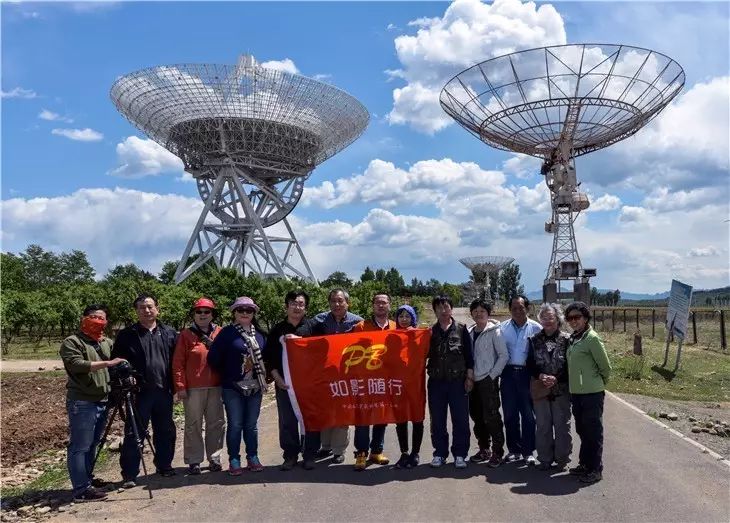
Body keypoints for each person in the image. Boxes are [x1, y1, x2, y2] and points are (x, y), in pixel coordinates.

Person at [60, 304, 127, 501]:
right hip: (82, 401)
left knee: (93, 443)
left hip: (102, 400)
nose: (98, 321)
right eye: (93, 317)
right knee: (80, 445)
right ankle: (81, 489)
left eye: (101, 318)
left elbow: (115, 363)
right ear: (84, 318)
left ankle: (87, 479)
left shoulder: (106, 342)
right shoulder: (72, 342)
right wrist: (107, 364)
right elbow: (76, 365)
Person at [113, 294, 178, 488]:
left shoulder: (170, 333)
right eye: (142, 307)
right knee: (134, 433)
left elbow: (178, 361)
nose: (146, 310)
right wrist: (126, 377)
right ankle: (130, 474)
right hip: (139, 392)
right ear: (136, 311)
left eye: (150, 307)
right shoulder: (127, 335)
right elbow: (117, 361)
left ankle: (164, 465)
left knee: (165, 430)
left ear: (157, 308)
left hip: (164, 391)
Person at [207, 296, 268, 475]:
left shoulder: (260, 335)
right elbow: (213, 358)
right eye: (240, 310)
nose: (244, 313)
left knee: (251, 424)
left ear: (254, 313)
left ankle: (253, 456)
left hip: (255, 387)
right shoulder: (227, 333)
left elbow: (266, 359)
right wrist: (229, 374)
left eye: (248, 310)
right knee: (235, 424)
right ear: (234, 312)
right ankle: (234, 458)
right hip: (232, 387)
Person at [264, 290, 320, 471]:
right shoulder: (277, 330)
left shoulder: (314, 328)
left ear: (306, 307)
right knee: (287, 421)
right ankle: (290, 455)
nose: (297, 307)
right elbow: (269, 357)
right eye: (293, 303)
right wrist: (277, 378)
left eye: (301, 304)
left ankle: (310, 454)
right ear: (287, 306)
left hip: (309, 386)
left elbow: (323, 354)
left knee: (310, 419)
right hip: (285, 384)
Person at [306, 288, 363, 464]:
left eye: (340, 301)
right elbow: (305, 338)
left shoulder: (357, 322)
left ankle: (339, 449)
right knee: (325, 411)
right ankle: (326, 446)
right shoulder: (319, 320)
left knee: (342, 411)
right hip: (324, 375)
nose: (337, 304)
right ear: (329, 303)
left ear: (347, 303)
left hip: (346, 374)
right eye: (333, 301)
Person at [172, 297, 224, 475]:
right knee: (193, 424)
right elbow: (178, 362)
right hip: (193, 387)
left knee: (216, 423)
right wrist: (180, 386)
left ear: (212, 314)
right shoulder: (186, 335)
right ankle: (194, 460)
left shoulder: (220, 333)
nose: (202, 315)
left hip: (216, 386)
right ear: (194, 314)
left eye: (206, 311)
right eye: (199, 312)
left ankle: (215, 458)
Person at [565, 301, 611, 484]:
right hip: (576, 392)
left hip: (592, 393)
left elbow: (605, 366)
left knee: (593, 432)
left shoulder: (592, 338)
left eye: (577, 317)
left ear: (585, 318)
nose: (574, 321)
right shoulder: (574, 338)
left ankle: (595, 469)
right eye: (570, 318)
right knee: (582, 430)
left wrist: (598, 384)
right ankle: (584, 464)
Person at [427, 295, 474, 469]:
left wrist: (470, 377)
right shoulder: (429, 332)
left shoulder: (462, 330)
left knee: (460, 419)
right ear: (435, 310)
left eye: (446, 306)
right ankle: (440, 453)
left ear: (451, 309)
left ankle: (460, 453)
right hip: (437, 382)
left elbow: (469, 356)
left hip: (458, 382)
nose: (443, 310)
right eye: (439, 307)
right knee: (437, 420)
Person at [350, 292, 394, 471]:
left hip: (385, 380)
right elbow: (351, 350)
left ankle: (377, 450)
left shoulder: (395, 326)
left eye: (384, 302)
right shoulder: (361, 327)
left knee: (381, 416)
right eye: (377, 302)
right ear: (372, 306)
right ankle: (361, 453)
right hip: (364, 379)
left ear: (389, 305)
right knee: (362, 416)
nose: (381, 305)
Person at [526, 303, 572, 471]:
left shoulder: (568, 339)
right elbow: (529, 364)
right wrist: (541, 375)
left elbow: (570, 365)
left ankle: (562, 460)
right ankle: (544, 459)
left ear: (558, 319)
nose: (547, 321)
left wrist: (556, 378)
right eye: (543, 318)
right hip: (541, 390)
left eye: (550, 317)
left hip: (561, 390)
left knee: (562, 426)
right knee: (543, 426)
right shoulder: (534, 340)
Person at [500, 295, 541, 465]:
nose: (518, 311)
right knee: (509, 414)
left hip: (527, 374)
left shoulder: (537, 328)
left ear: (528, 308)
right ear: (510, 310)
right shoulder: (502, 328)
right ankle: (514, 450)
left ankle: (528, 451)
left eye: (521, 307)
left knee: (528, 415)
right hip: (508, 374)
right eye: (514, 308)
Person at [467, 299, 508, 468]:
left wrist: (492, 376)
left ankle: (498, 451)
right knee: (477, 417)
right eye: (475, 311)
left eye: (482, 311)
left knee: (491, 417)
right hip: (472, 381)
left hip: (487, 380)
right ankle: (484, 448)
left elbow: (503, 356)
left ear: (488, 313)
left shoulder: (494, 331)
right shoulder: (469, 332)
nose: (478, 314)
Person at [393, 304, 424, 469]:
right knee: (401, 419)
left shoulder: (419, 335)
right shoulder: (391, 336)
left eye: (407, 316)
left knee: (417, 418)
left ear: (413, 318)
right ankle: (404, 452)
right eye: (401, 316)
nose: (404, 319)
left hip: (415, 382)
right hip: (397, 383)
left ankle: (415, 452)